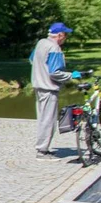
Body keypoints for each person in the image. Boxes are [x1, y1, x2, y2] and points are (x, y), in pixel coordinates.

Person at [30, 23, 76, 160]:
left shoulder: (41, 43)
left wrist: (40, 71)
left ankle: (41, 148)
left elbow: (32, 59)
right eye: (65, 35)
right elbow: (55, 73)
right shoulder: (54, 48)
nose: (65, 38)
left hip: (38, 86)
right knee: (48, 120)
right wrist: (71, 76)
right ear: (60, 35)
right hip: (49, 88)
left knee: (42, 118)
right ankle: (42, 151)